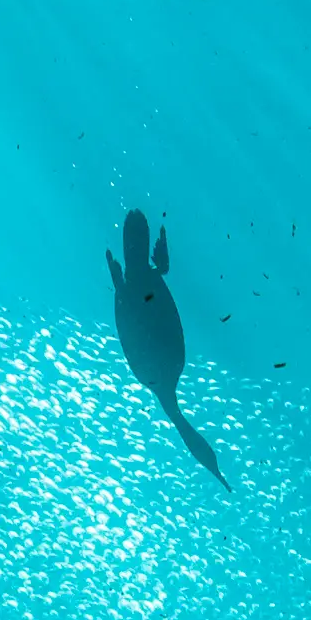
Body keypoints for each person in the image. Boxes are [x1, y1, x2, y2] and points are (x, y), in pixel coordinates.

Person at [106, 207, 226, 487]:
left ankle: (215, 469)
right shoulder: (166, 367)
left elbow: (130, 322)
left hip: (139, 290)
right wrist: (123, 285)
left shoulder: (169, 366)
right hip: (140, 290)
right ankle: (215, 469)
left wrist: (122, 285)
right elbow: (138, 320)